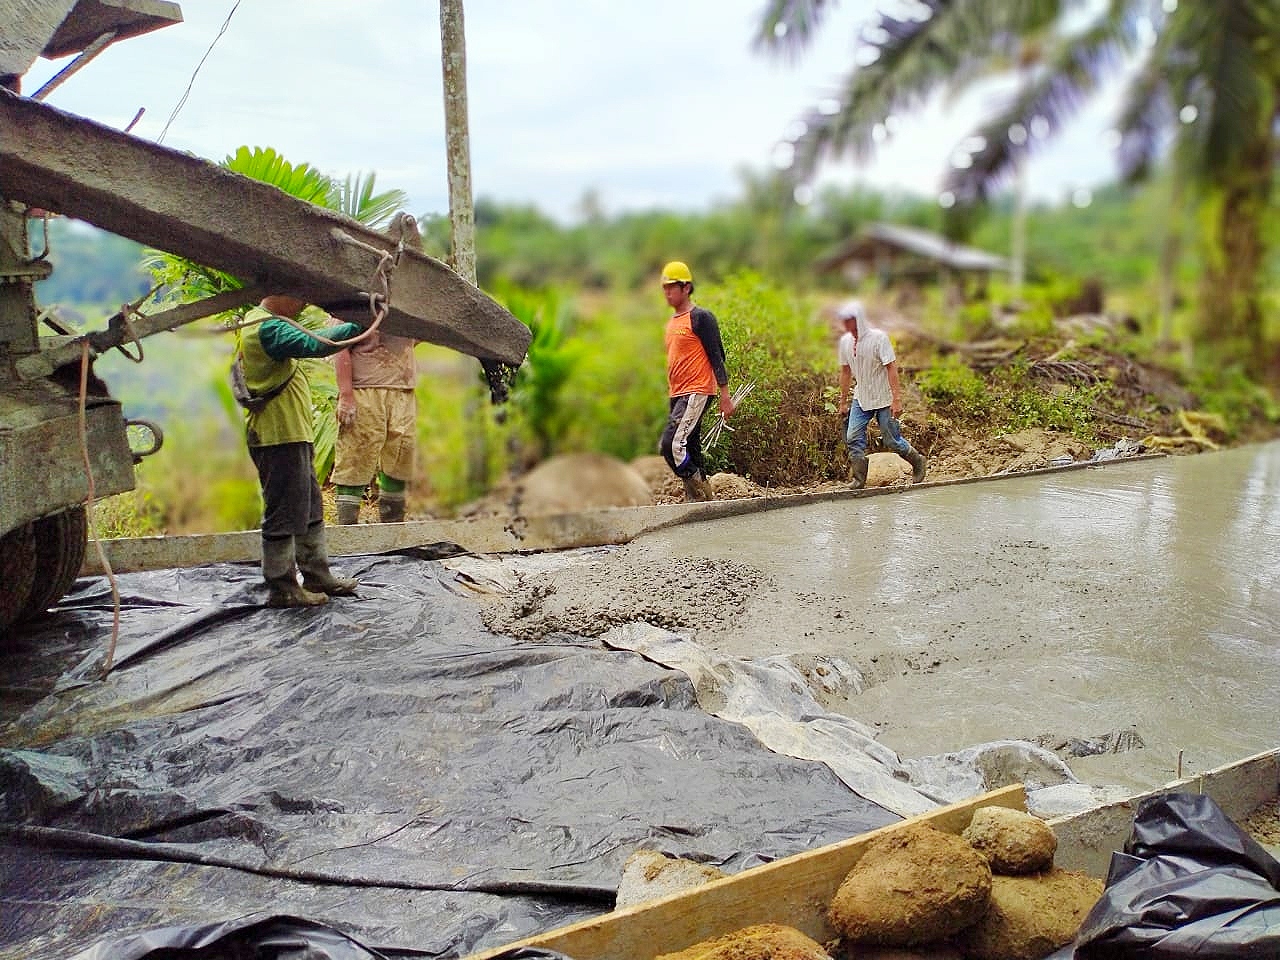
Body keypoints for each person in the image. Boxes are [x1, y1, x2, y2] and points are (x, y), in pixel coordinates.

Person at [238, 295, 364, 607]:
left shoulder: (267, 322)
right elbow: (317, 343)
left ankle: (317, 574)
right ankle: (282, 586)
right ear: (280, 295)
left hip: (291, 433)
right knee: (284, 510)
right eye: (300, 297)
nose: (304, 304)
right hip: (277, 435)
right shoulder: (264, 327)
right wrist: (363, 322)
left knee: (308, 507)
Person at [659, 261, 735, 502]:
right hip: (677, 392)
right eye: (665, 288)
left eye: (672, 287)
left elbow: (717, 356)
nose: (667, 292)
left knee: (670, 445)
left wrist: (725, 395)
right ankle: (700, 499)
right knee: (690, 446)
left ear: (686, 288)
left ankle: (699, 490)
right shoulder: (672, 323)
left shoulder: (701, 317)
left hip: (698, 389)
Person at [835, 299, 927, 489]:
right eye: (844, 321)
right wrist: (843, 402)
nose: (846, 325)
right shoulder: (845, 342)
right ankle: (859, 480)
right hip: (862, 396)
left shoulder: (878, 338)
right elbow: (845, 372)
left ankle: (917, 461)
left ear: (858, 319)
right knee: (852, 436)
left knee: (891, 439)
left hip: (884, 396)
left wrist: (897, 399)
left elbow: (891, 367)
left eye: (850, 320)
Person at [331, 328, 418, 524]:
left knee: (401, 457)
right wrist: (346, 395)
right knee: (356, 454)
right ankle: (347, 529)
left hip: (403, 389)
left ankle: (393, 527)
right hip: (365, 389)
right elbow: (339, 347)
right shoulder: (354, 302)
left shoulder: (410, 303)